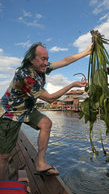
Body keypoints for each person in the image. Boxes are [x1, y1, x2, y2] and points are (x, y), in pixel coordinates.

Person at [0, 42, 93, 179]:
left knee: (46, 123)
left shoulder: (42, 68)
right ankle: (3, 185)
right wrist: (72, 85)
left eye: (47, 59)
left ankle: (40, 163)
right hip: (10, 113)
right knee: (4, 156)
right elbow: (49, 99)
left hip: (27, 109)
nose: (46, 63)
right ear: (31, 60)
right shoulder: (24, 75)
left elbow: (66, 61)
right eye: (43, 59)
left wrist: (86, 52)